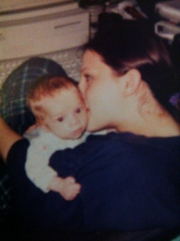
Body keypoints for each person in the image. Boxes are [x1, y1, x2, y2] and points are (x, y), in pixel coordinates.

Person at [0, 20, 180, 240]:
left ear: (130, 83)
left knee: (37, 68)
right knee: (51, 82)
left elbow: (23, 166)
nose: (79, 89)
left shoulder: (114, 163)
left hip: (22, 204)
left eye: (88, 77)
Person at [24, 74, 88, 200]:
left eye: (78, 110)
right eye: (61, 118)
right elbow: (35, 169)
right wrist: (60, 185)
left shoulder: (89, 124)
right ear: (46, 127)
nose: (75, 122)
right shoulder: (44, 143)